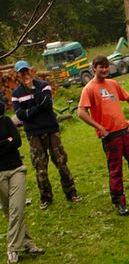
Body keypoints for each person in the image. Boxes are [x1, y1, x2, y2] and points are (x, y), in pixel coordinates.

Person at [77, 55, 129, 217]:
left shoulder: (113, 84)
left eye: (106, 67)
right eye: (100, 67)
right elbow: (81, 112)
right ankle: (119, 202)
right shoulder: (89, 88)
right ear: (94, 68)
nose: (104, 70)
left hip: (125, 131)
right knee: (115, 170)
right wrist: (99, 127)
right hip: (110, 136)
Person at [11, 59, 81, 210]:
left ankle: (71, 193)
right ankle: (46, 198)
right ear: (17, 75)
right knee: (40, 166)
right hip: (34, 134)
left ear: (31, 70)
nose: (24, 74)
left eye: (26, 71)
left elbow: (47, 104)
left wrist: (32, 91)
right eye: (21, 72)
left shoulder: (43, 85)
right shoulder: (16, 93)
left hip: (51, 130)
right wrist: (37, 108)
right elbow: (21, 115)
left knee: (61, 162)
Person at [0, 94, 44, 264]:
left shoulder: (6, 122)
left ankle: (12, 248)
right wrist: (6, 142)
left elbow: (17, 141)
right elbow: (11, 142)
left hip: (17, 168)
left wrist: (5, 143)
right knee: (10, 211)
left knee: (16, 208)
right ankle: (28, 243)